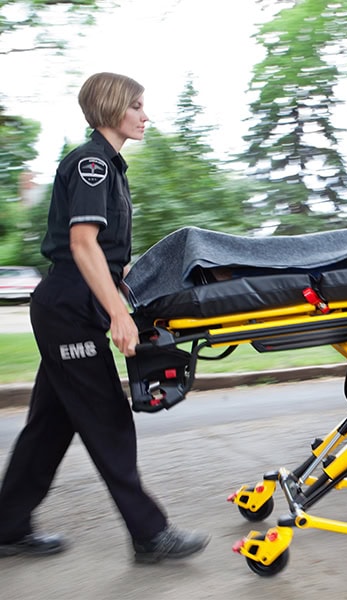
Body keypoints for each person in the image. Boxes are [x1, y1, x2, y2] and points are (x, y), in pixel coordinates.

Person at [0, 73, 210, 562]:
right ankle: (150, 534)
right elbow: (82, 244)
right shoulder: (92, 164)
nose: (145, 115)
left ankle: (7, 526)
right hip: (70, 306)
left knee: (50, 425)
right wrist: (119, 314)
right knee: (107, 419)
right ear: (114, 108)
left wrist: (129, 293)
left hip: (74, 305)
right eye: (137, 105)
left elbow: (105, 255)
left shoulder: (109, 168)